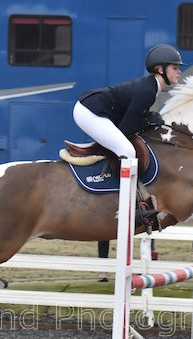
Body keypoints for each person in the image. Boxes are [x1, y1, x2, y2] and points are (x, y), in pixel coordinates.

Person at [73, 44, 184, 231]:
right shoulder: (148, 91)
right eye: (175, 68)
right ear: (160, 70)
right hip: (88, 111)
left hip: (93, 109)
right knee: (126, 150)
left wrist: (148, 118)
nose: (179, 72)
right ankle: (128, 206)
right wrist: (149, 121)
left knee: (125, 147)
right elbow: (127, 128)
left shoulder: (151, 88)